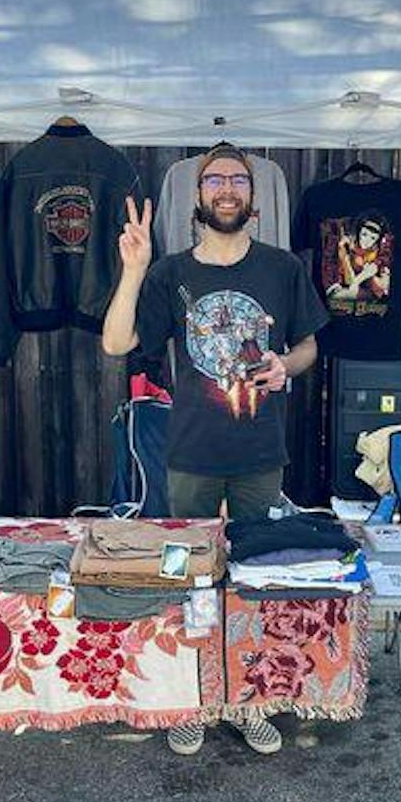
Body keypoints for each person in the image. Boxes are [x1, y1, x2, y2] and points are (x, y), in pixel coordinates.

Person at [101, 142, 327, 757]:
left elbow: (308, 345)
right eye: (214, 179)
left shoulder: (283, 270)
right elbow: (118, 343)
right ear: (198, 197)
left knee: (256, 581)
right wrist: (134, 269)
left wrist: (288, 365)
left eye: (237, 179)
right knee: (190, 584)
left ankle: (248, 699)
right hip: (192, 454)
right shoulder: (171, 273)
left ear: (252, 199)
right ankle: (195, 699)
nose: (226, 188)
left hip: (260, 453)